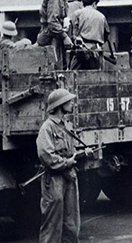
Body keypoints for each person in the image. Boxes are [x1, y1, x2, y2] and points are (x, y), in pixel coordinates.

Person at [36, 88, 93, 243]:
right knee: (52, 225)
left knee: (71, 223)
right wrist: (67, 162)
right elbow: (46, 156)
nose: (72, 104)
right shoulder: (47, 128)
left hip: (69, 177)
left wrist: (83, 153)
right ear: (60, 105)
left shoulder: (67, 126)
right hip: (54, 180)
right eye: (68, 101)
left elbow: (70, 151)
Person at [37, 0, 75, 68]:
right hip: (51, 40)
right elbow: (52, 22)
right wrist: (65, 37)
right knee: (54, 70)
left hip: (56, 40)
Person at [69, 0, 110, 70]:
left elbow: (72, 32)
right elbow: (106, 33)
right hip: (96, 50)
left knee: (73, 74)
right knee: (97, 75)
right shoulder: (102, 16)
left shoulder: (77, 14)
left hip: (80, 50)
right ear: (94, 4)